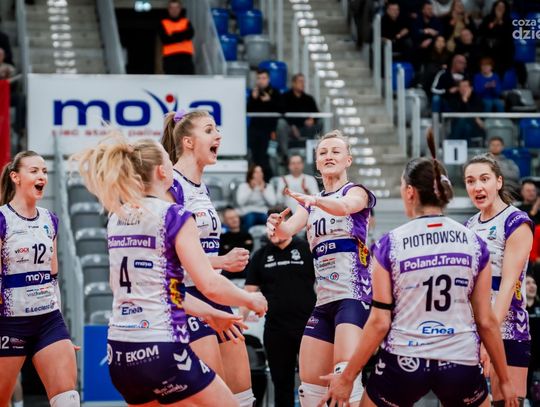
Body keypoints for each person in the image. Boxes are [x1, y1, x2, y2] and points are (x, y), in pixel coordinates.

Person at [320, 133, 518, 407]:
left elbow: (379, 322)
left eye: (403, 186)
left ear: (410, 192)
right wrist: (505, 381)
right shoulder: (475, 243)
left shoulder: (389, 244)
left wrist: (347, 377)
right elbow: (486, 321)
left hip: (404, 361)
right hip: (459, 360)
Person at [73, 136, 268, 406]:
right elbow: (209, 284)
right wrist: (250, 299)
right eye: (167, 160)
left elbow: (164, 290)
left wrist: (211, 313)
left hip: (119, 351)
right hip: (161, 346)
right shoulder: (173, 215)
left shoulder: (116, 216)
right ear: (162, 171)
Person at [266, 130, 376, 407]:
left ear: (348, 159)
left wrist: (315, 201)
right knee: (310, 389)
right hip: (324, 302)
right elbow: (285, 232)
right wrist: (275, 225)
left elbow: (345, 207)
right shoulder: (311, 204)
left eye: (336, 151)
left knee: (345, 382)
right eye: (323, 152)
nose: (329, 156)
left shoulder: (356, 192)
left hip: (352, 297)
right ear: (316, 162)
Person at [161, 110, 259, 406]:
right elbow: (167, 256)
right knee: (212, 399)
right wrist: (222, 261)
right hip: (186, 297)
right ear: (188, 142)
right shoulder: (170, 186)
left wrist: (221, 266)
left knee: (243, 396)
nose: (218, 135)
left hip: (214, 293)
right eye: (209, 130)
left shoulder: (201, 187)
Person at [0, 151, 79, 407]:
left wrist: (61, 331)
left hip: (48, 320)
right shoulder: (3, 219)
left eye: (44, 171)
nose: (42, 176)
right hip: (10, 322)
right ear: (15, 177)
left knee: (68, 398)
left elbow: (52, 277)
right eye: (34, 171)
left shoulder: (49, 219)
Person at [464, 153, 533, 406]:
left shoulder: (516, 222)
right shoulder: (468, 226)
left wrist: (488, 337)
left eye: (485, 179)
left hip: (508, 328)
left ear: (499, 182)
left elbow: (507, 287)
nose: (477, 187)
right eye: (471, 181)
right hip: (471, 330)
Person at [243, 205, 316, 407]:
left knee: (313, 385)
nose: (273, 230)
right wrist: (239, 323)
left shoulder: (307, 249)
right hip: (275, 330)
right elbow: (248, 293)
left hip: (308, 329)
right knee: (281, 385)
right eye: (270, 226)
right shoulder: (260, 256)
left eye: (278, 225)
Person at [247, 68, 281, 180]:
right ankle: (256, 179)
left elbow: (282, 109)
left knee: (266, 157)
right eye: (259, 78)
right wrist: (253, 98)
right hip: (255, 129)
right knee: (255, 156)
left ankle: (268, 179)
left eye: (264, 78)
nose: (261, 80)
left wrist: (269, 101)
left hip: (269, 130)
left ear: (268, 79)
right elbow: (248, 111)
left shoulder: (275, 92)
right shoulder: (254, 93)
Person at [279, 73, 320, 151]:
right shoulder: (285, 97)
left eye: (303, 81)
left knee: (320, 122)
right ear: (293, 83)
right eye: (300, 81)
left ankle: (312, 153)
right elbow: (282, 113)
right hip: (290, 127)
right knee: (281, 123)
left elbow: (317, 113)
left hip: (305, 128)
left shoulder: (309, 99)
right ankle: (284, 154)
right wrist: (293, 126)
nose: (302, 84)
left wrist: (313, 120)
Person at [158, 0, 195, 75]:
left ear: (180, 9)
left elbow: (190, 34)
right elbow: (165, 39)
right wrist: (182, 35)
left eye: (176, 8)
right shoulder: (163, 23)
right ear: (168, 9)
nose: (174, 10)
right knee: (171, 82)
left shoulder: (186, 22)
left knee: (188, 81)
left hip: (186, 59)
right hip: (170, 59)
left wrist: (173, 34)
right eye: (172, 8)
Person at [236, 165, 277, 231]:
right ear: (251, 174)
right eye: (256, 172)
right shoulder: (243, 186)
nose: (259, 174)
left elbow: (273, 203)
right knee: (250, 219)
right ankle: (246, 236)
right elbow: (240, 202)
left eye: (261, 172)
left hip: (263, 212)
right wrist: (251, 189)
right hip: (248, 212)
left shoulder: (268, 186)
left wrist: (263, 191)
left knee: (270, 222)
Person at [219, 206, 254, 279]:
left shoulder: (247, 235)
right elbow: (223, 253)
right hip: (228, 267)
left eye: (236, 217)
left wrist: (230, 247)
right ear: (225, 221)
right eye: (230, 218)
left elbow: (247, 251)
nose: (234, 220)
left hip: (245, 265)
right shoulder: (222, 237)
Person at [526, 274, 540, 406]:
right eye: (528, 283)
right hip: (525, 357)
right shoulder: (519, 310)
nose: (532, 285)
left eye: (534, 282)